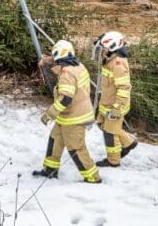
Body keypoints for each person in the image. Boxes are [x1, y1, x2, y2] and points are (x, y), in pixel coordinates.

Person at [32, 39, 101, 184]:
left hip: (74, 118)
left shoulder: (67, 73)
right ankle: (50, 170)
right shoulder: (77, 65)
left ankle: (93, 177)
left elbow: (65, 99)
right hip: (70, 115)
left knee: (75, 147)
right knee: (55, 139)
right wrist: (48, 61)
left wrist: (49, 114)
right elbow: (61, 65)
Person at [93, 31, 138, 168]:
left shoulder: (118, 64)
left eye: (104, 47)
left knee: (109, 132)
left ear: (113, 47)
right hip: (107, 102)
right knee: (101, 125)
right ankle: (129, 142)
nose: (102, 50)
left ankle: (113, 160)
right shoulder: (110, 58)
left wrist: (117, 109)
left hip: (115, 105)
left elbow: (124, 88)